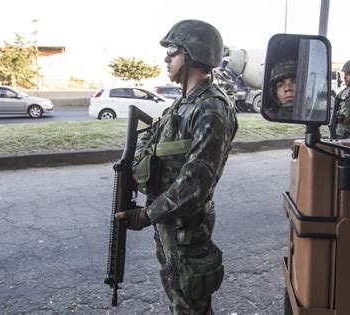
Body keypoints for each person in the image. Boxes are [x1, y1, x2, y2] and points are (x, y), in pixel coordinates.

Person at [115, 19, 238, 314]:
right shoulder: (183, 103)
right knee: (177, 296)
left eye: (172, 49)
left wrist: (146, 215)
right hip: (171, 224)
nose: (166, 57)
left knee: (191, 305)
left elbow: (195, 183)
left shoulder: (211, 108)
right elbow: (153, 143)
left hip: (187, 226)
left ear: (193, 53)